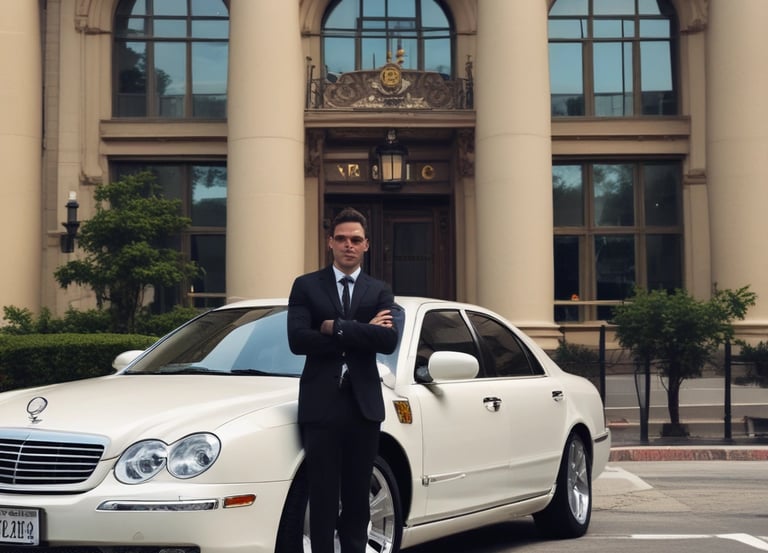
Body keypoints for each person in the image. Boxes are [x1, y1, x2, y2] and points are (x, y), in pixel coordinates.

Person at [287, 207, 399, 553]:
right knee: (321, 497)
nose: (348, 245)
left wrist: (335, 327)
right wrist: (363, 331)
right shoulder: (306, 286)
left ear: (366, 245)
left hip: (363, 406)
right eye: (341, 239)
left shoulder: (379, 290)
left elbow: (388, 341)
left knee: (357, 499)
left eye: (355, 240)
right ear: (329, 243)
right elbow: (297, 340)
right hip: (321, 406)